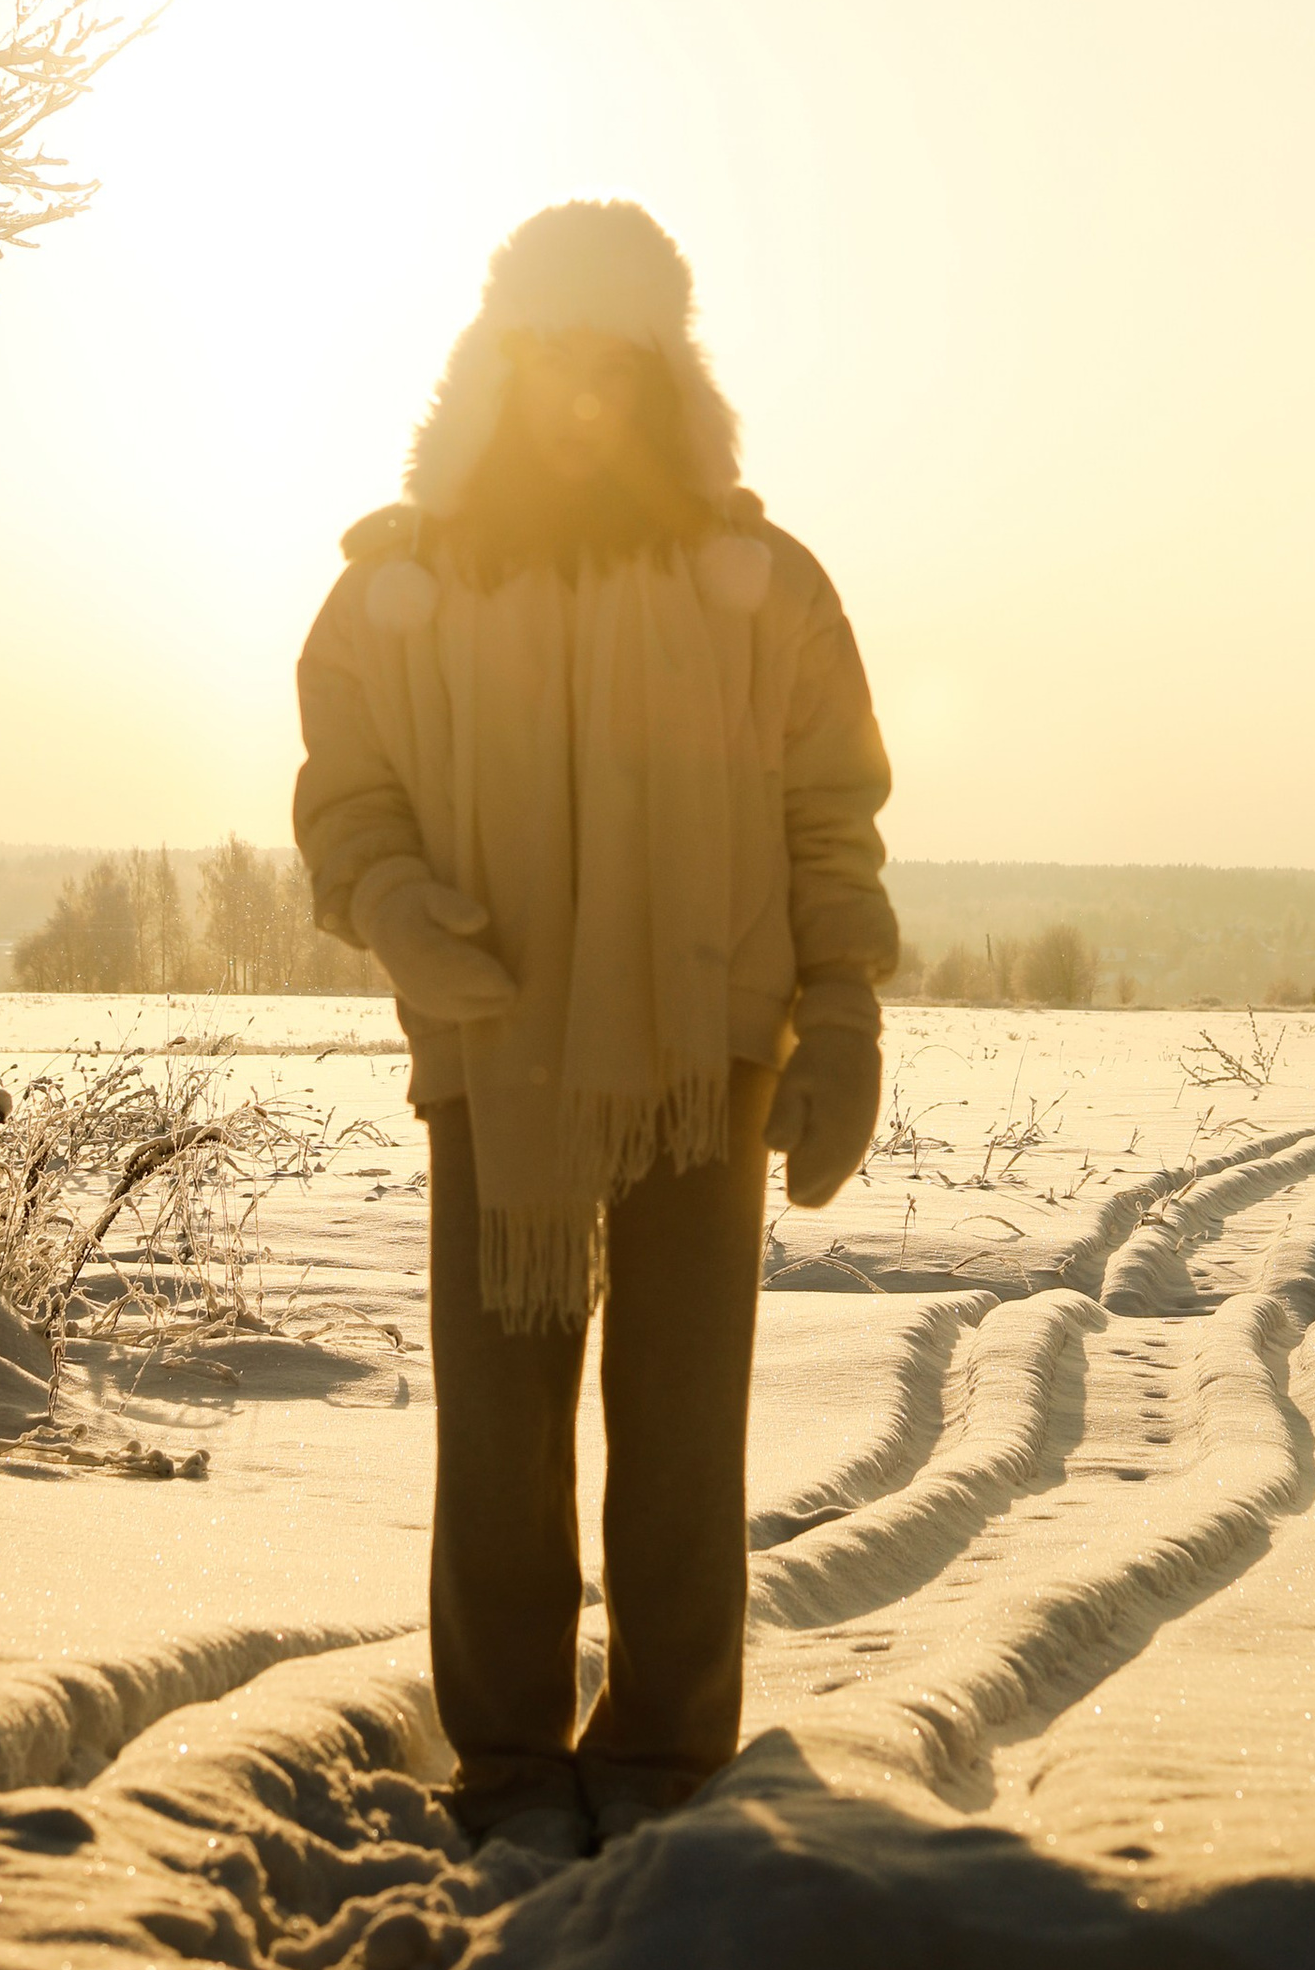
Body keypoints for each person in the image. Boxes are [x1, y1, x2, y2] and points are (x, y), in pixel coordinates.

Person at [293, 200, 897, 1859]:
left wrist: (842, 1006)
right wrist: (392, 902)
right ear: (497, 371)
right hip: (500, 1060)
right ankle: (504, 1756)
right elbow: (346, 788)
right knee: (499, 1433)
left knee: (683, 1426)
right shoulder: (402, 590)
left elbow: (831, 812)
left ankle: (666, 1756)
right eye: (553, 360)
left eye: (616, 366)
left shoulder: (762, 591)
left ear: (664, 381)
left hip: (708, 1057)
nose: (582, 399)